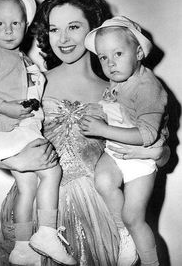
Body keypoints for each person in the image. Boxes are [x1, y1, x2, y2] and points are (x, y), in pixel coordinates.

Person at [0, 0, 170, 266]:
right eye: (54, 29)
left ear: (94, 31)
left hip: (99, 214)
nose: (63, 38)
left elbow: (162, 151)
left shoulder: (121, 89)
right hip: (36, 213)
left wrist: (156, 153)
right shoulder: (31, 81)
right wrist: (17, 160)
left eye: (74, 26)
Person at [0, 0, 76, 266]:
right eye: (0, 23)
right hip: (12, 131)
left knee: (27, 187)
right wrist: (6, 108)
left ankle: (23, 246)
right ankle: (47, 233)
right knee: (51, 172)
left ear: (26, 26)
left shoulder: (21, 59)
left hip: (17, 130)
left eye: (16, 23)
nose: (9, 29)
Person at [82, 16, 168, 266]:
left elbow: (147, 135)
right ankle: (124, 236)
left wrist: (103, 129)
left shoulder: (147, 86)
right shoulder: (120, 77)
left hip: (142, 159)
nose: (110, 63)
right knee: (103, 180)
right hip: (117, 152)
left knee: (134, 217)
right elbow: (117, 109)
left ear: (139, 52)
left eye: (118, 53)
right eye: (103, 57)